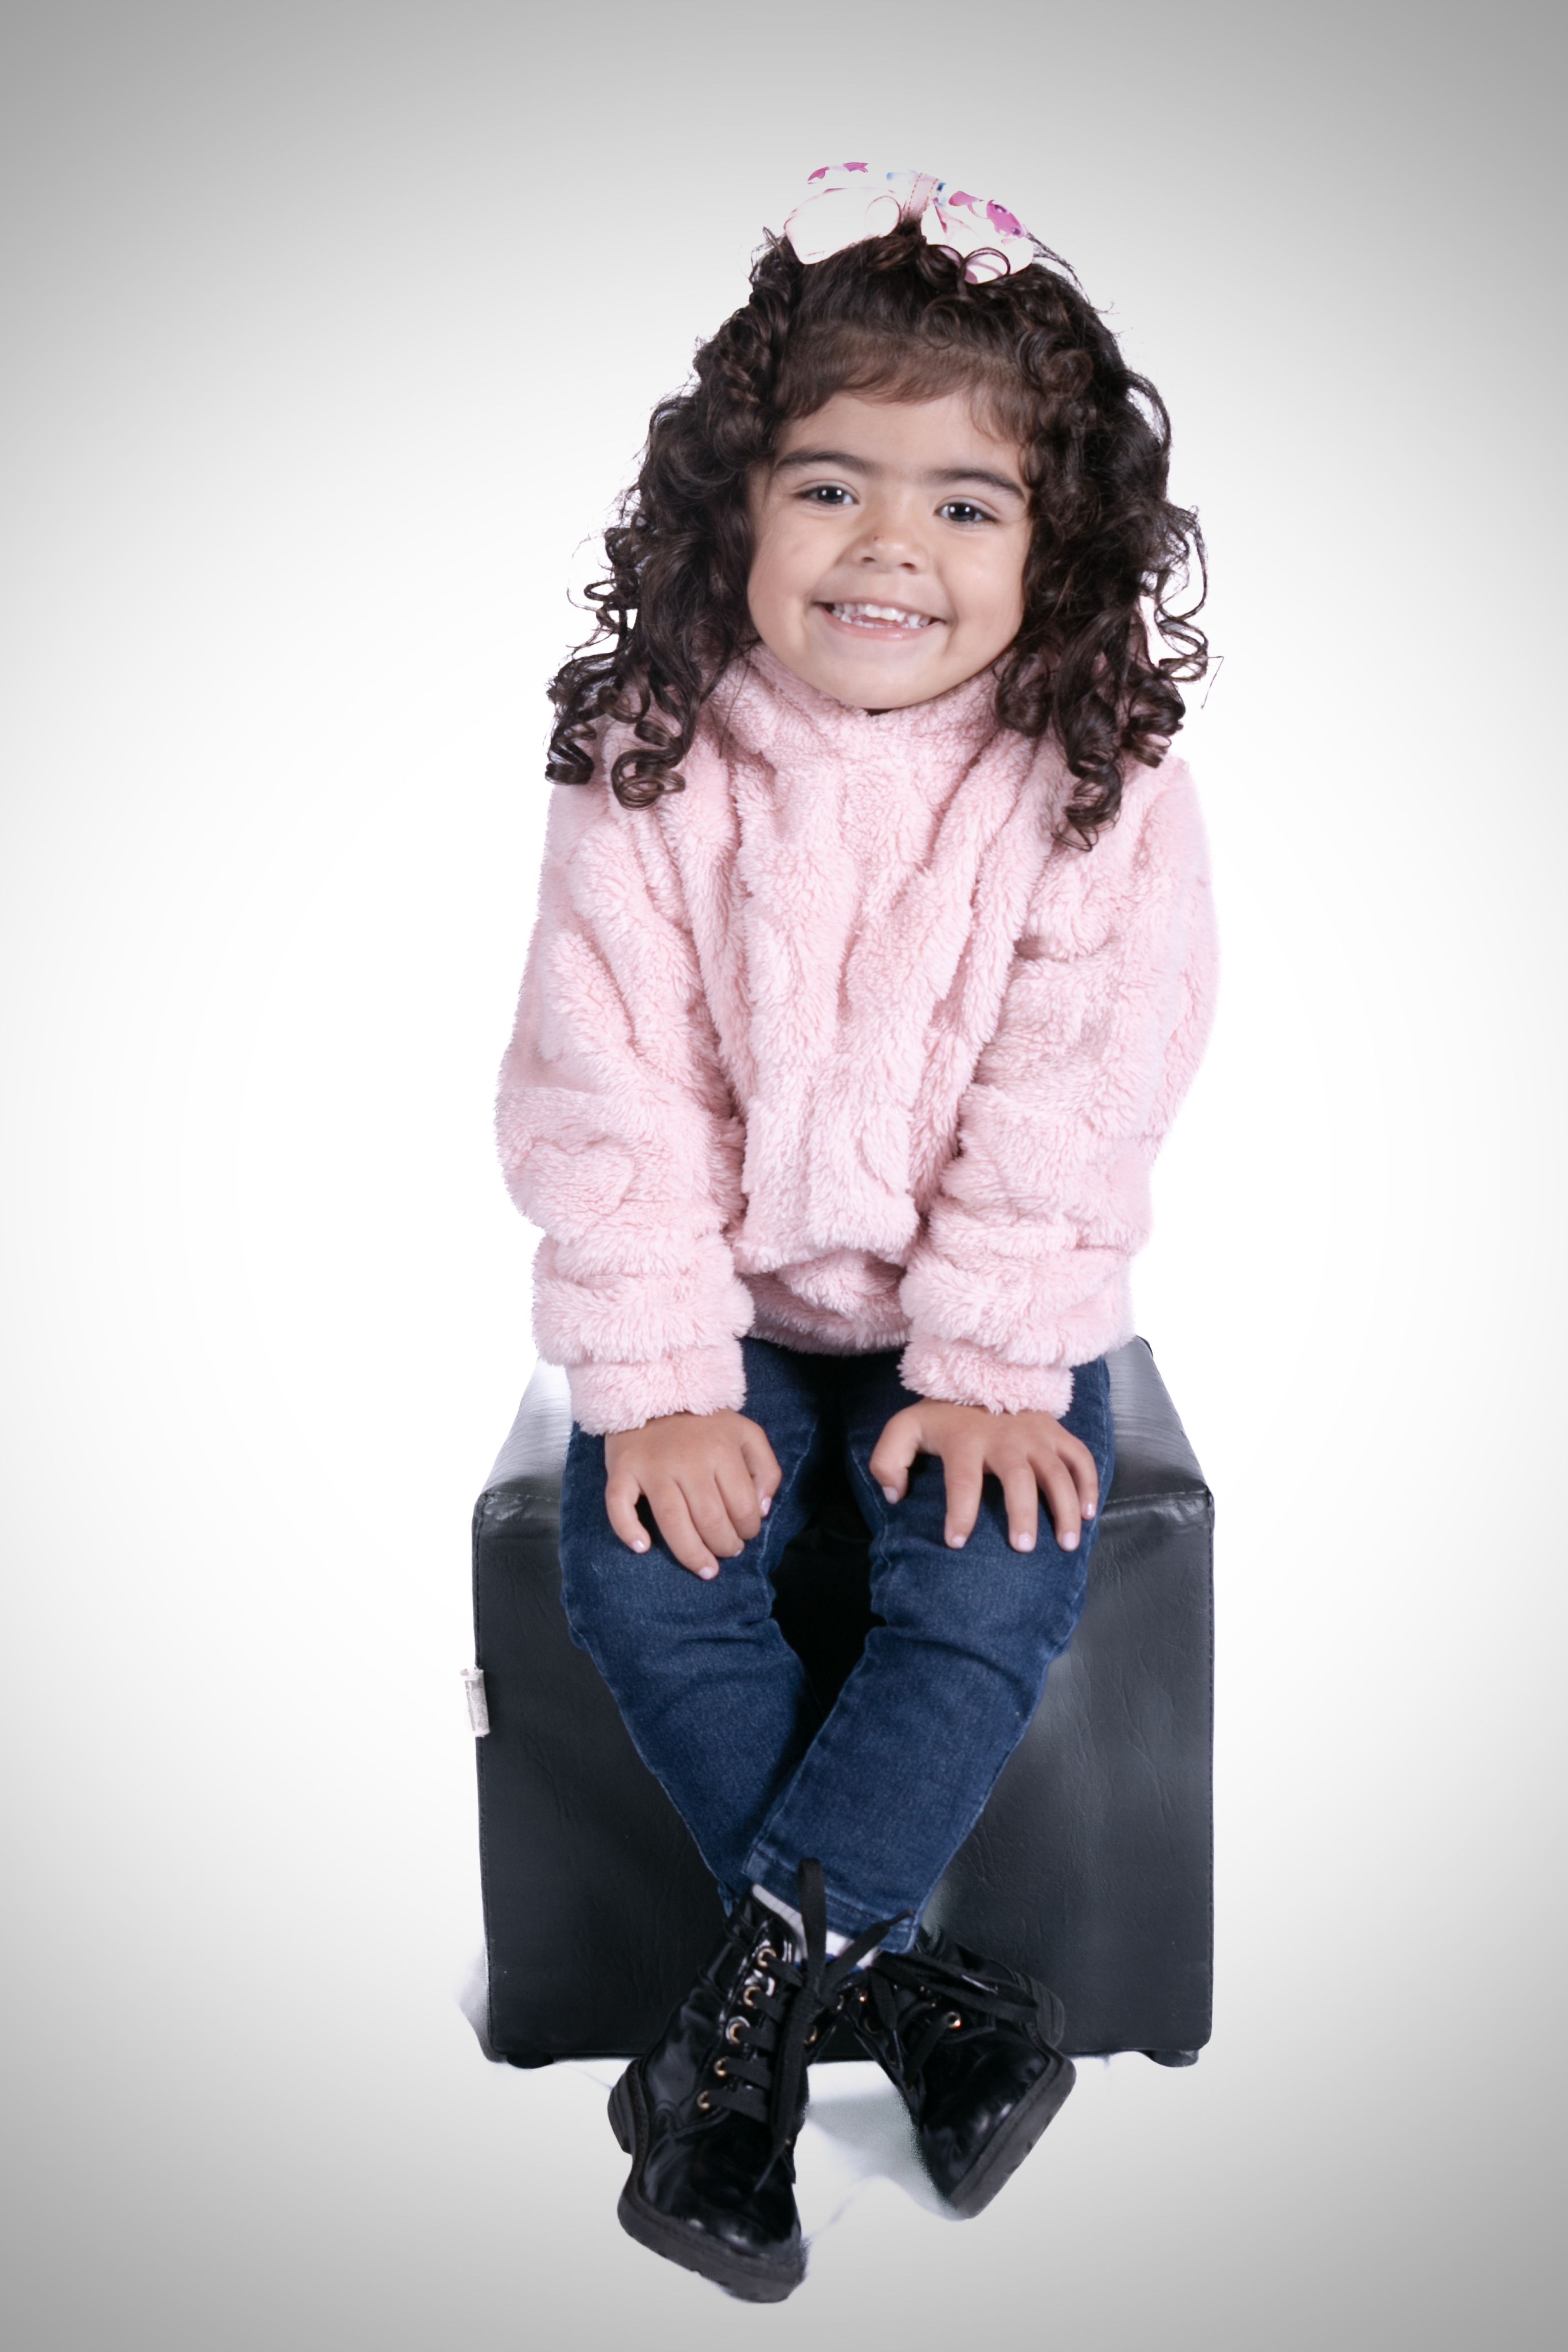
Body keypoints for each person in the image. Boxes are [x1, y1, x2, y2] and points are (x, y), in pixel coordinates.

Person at [494, 162, 1218, 2302]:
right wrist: (654, 1381)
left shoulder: (1093, 778)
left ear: (1054, 551)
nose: (891, 544)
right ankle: (916, 2006)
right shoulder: (652, 764)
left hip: (972, 1307)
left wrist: (992, 1368)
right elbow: (608, 1081)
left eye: (965, 505)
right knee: (645, 1568)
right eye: (831, 487)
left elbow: (1081, 1087)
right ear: (731, 512)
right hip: (722, 1300)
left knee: (989, 1567)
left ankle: (733, 2047)